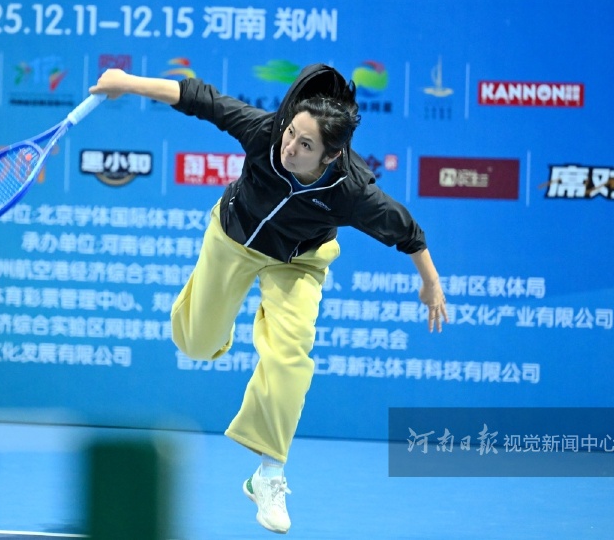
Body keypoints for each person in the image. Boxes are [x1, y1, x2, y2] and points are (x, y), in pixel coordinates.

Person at [89, 64, 448, 534]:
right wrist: (127, 82)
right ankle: (210, 317)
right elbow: (199, 97)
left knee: (290, 354)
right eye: (292, 133)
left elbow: (407, 231)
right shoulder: (265, 134)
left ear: (331, 155)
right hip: (234, 237)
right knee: (196, 343)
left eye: (305, 145)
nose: (290, 147)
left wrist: (431, 283)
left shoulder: (351, 192)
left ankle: (269, 473)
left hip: (298, 262)